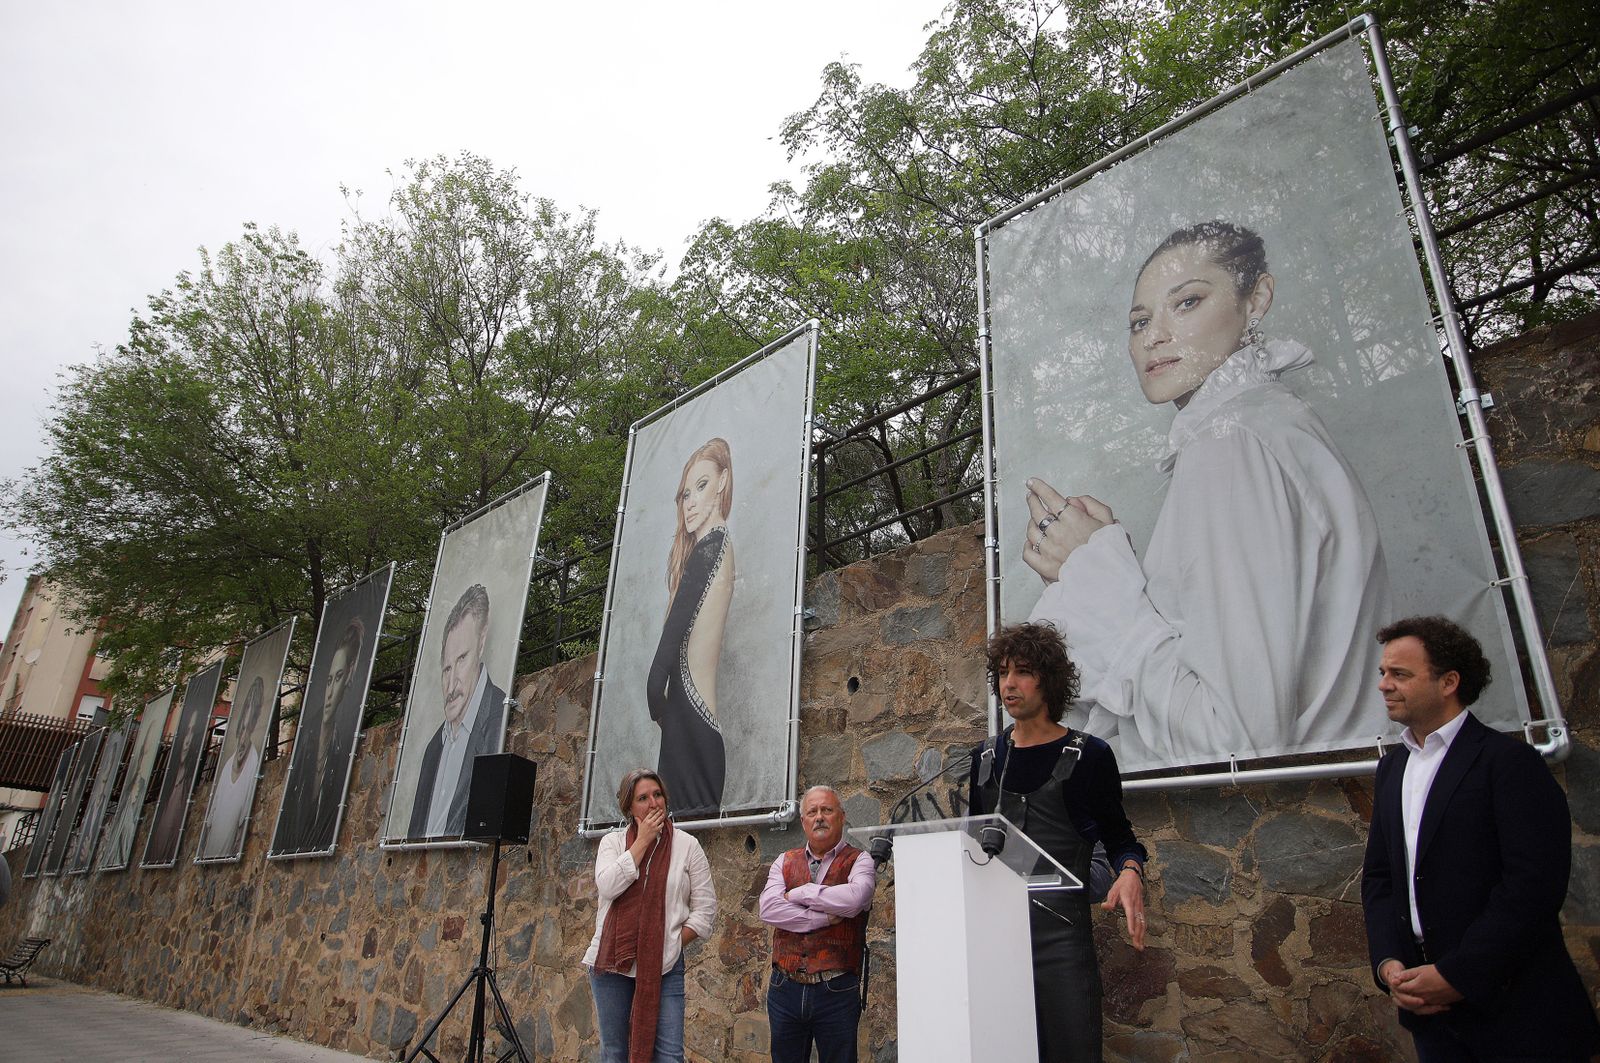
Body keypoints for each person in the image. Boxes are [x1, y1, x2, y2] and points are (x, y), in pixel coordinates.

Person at [1024, 220, 1390, 769]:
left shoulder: (1231, 442)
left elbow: (1234, 740)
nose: (1154, 335)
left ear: (1256, 299)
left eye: (1188, 302)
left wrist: (1092, 571)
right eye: (1140, 321)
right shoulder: (1260, 426)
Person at [1360, 616, 1600, 1061]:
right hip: (1430, 1017)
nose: (1384, 685)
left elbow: (1533, 886)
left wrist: (1458, 974)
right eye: (1383, 673)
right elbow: (1380, 878)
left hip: (1517, 1014)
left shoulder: (1509, 763)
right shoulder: (1392, 769)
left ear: (1449, 681)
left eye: (1401, 674)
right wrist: (1389, 964)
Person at [967, 622, 1148, 1063]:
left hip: (1062, 947)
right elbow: (971, 852)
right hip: (996, 943)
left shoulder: (1090, 756)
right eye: (1003, 672)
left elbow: (1123, 840)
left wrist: (1130, 873)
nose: (1010, 683)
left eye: (1023, 671)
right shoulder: (985, 759)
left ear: (1048, 680)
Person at [583, 768, 716, 1063]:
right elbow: (607, 885)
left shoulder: (687, 845)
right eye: (643, 798)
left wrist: (670, 943)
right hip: (612, 964)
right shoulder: (613, 843)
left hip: (665, 965)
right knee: (615, 1053)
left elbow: (705, 910)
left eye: (658, 795)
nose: (653, 803)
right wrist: (641, 842)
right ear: (630, 807)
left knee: (669, 1055)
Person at [647, 438, 735, 818]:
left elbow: (660, 668)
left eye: (702, 486)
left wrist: (659, 707)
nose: (691, 502)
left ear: (723, 481)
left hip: (691, 732)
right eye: (686, 493)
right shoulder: (717, 546)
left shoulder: (709, 549)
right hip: (695, 728)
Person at [758, 785, 876, 1063]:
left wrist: (800, 894)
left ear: (842, 816)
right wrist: (822, 916)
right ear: (803, 821)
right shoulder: (783, 861)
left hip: (835, 991)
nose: (819, 817)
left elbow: (856, 897)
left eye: (827, 810)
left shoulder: (860, 860)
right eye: (812, 811)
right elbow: (769, 908)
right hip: (784, 988)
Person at [407, 585, 505, 838]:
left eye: (462, 659)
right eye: (446, 669)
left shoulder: (499, 720)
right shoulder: (433, 748)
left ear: (481, 644)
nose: (451, 685)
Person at [274, 617, 365, 853]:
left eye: (338, 678)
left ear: (348, 680)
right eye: (328, 681)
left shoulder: (340, 744)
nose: (329, 692)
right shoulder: (306, 738)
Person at [198, 675, 269, 860]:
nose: (243, 737)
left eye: (249, 727)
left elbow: (240, 830)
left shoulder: (253, 764)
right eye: (242, 728)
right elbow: (209, 824)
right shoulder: (226, 768)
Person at [143, 695, 211, 866]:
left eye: (193, 732)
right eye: (186, 731)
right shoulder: (169, 788)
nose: (188, 739)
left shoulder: (186, 788)